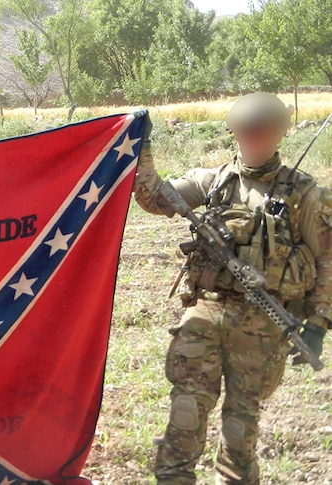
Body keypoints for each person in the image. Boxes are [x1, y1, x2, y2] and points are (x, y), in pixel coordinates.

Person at [133, 92, 332, 484]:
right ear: (234, 132)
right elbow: (154, 197)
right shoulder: (213, 180)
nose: (252, 140)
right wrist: (142, 146)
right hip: (207, 310)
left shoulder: (305, 193)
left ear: (279, 135)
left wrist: (320, 321)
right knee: (187, 410)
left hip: (264, 324)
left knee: (240, 428)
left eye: (262, 133)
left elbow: (327, 259)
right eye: (245, 132)